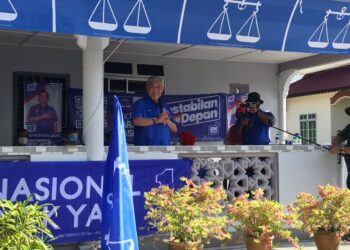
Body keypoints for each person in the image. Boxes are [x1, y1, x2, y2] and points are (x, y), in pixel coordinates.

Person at [132, 76, 177, 146]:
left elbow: (174, 129)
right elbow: (136, 121)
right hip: (145, 151)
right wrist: (156, 120)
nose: (155, 90)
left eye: (158, 87)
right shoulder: (139, 104)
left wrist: (167, 120)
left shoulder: (165, 106)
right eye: (152, 87)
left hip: (165, 150)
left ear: (162, 90)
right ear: (147, 88)